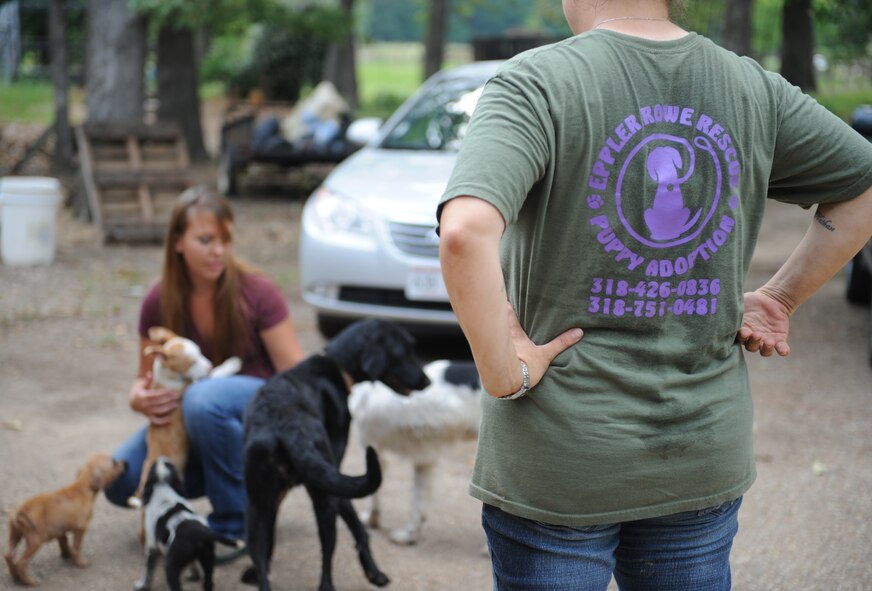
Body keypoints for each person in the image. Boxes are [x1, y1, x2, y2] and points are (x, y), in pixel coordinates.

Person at [437, 1, 872, 589]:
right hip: (697, 450)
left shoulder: (536, 81)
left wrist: (500, 371)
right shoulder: (750, 87)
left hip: (561, 456)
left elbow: (463, 233)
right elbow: (863, 187)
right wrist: (781, 296)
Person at [105, 185, 305, 561]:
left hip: (252, 410)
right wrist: (137, 397)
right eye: (206, 240)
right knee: (122, 483)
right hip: (192, 422)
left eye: (226, 240)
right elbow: (143, 376)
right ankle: (246, 485)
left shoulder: (257, 291)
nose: (219, 251)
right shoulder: (158, 300)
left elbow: (295, 378)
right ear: (178, 243)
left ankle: (234, 525)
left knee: (203, 398)